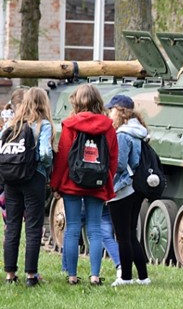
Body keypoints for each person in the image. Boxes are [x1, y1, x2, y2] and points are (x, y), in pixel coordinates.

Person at [50, 84, 118, 286]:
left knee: (71, 228)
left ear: (76, 102)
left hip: (72, 182)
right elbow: (113, 159)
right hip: (97, 183)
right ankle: (95, 276)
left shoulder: (70, 125)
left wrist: (55, 184)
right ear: (98, 101)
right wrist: (107, 179)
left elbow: (63, 158)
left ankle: (72, 276)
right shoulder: (108, 126)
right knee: (95, 229)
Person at [3, 87, 54, 287]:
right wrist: (44, 167)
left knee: (12, 226)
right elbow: (45, 153)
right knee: (33, 227)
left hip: (11, 178)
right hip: (33, 177)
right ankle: (31, 275)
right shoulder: (43, 124)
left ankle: (9, 274)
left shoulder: (11, 123)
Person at [106, 94, 151, 286]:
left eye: (111, 110)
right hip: (137, 188)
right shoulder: (139, 131)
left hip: (123, 188)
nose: (109, 114)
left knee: (122, 236)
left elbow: (120, 164)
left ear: (121, 111)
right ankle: (143, 276)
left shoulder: (123, 134)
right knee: (131, 234)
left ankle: (125, 277)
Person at [0, 88, 26, 225]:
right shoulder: (10, 125)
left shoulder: (6, 125)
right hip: (14, 174)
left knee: (10, 220)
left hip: (6, 174)